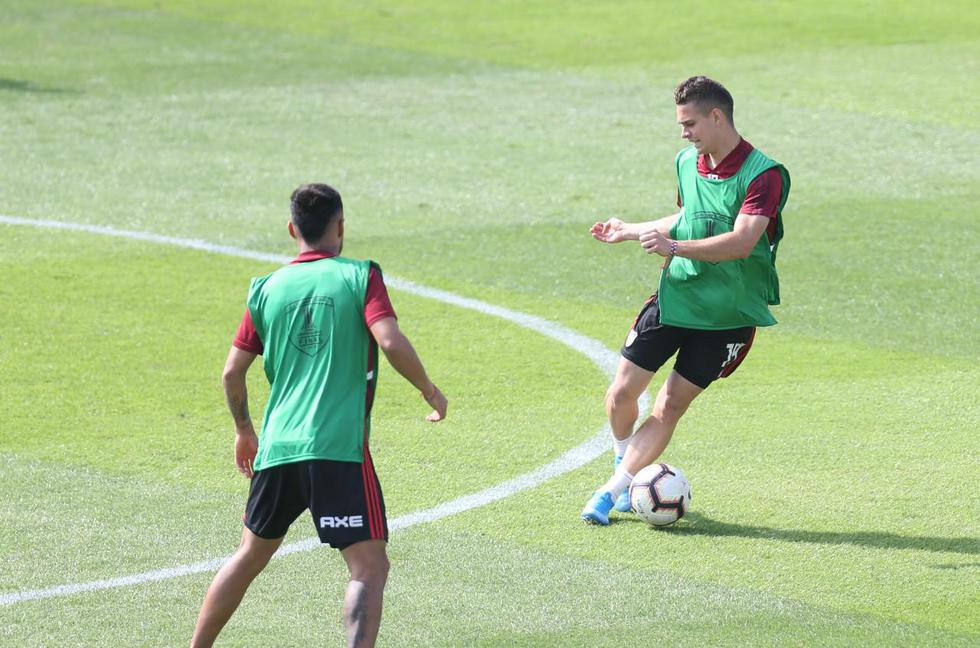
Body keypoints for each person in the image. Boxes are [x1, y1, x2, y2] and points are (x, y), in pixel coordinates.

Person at [190, 183, 448, 647]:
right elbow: (388, 341)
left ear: (292, 229)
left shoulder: (266, 288)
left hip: (278, 447)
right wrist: (428, 390)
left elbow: (232, 372)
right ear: (341, 226)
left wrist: (244, 431)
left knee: (249, 555)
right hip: (337, 450)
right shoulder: (359, 276)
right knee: (369, 566)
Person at [581, 76, 790, 525]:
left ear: (717, 117)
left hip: (727, 315)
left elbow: (741, 241)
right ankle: (626, 468)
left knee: (669, 405)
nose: (684, 133)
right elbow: (689, 216)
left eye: (690, 123)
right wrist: (632, 229)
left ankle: (610, 492)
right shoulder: (686, 162)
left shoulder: (764, 174)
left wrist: (672, 248)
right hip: (677, 296)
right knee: (620, 394)